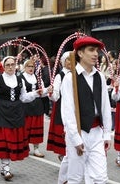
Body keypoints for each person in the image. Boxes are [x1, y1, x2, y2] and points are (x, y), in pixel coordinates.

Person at [0, 56, 44, 181]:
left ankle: (5, 167)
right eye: (8, 65)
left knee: (12, 139)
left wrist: (36, 93)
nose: (10, 67)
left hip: (17, 112)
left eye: (12, 64)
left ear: (16, 66)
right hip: (2, 112)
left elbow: (24, 97)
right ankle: (6, 168)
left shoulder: (20, 79)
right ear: (3, 66)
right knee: (4, 140)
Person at [60, 36, 112, 183]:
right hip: (78, 131)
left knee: (100, 178)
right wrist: (75, 138)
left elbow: (105, 106)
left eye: (97, 50)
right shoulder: (70, 78)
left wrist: (107, 133)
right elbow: (68, 111)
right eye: (91, 50)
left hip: (97, 133)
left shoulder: (100, 76)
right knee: (75, 178)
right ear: (80, 53)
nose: (96, 54)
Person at [47, 51, 71, 184]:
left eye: (71, 60)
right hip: (62, 107)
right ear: (63, 62)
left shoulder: (77, 74)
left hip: (74, 108)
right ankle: (64, 158)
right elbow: (55, 95)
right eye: (67, 60)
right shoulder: (60, 75)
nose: (69, 62)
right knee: (63, 135)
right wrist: (51, 93)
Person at [21, 59, 46, 158]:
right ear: (25, 67)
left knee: (37, 127)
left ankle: (36, 148)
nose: (31, 68)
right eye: (29, 66)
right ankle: (25, 147)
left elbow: (43, 91)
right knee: (26, 127)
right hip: (26, 105)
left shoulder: (38, 78)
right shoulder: (21, 78)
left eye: (32, 66)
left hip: (37, 105)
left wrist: (46, 91)